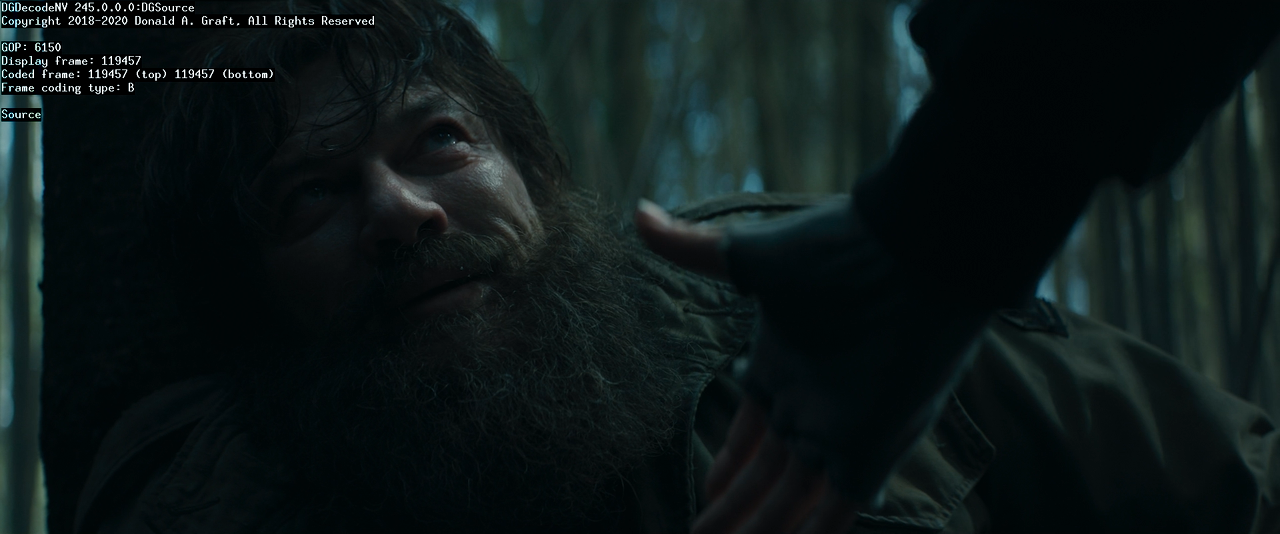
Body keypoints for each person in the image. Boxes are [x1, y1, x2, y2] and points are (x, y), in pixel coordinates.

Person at [70, 0, 1280, 532]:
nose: (399, 211)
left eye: (436, 141)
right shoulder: (198, 500)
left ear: (537, 175)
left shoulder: (815, 325)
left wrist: (957, 215)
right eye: (311, 196)